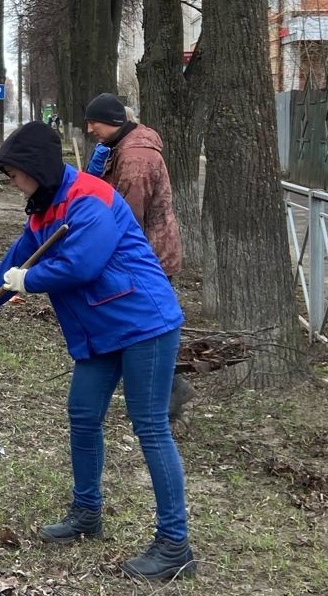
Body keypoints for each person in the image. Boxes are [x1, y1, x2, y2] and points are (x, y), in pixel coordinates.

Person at [0, 121, 196, 581]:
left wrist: (31, 281)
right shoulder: (44, 208)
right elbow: (15, 259)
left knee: (150, 428)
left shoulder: (90, 197)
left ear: (36, 169)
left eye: (14, 173)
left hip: (143, 323)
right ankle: (87, 513)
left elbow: (82, 264)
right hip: (101, 332)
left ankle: (174, 544)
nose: (11, 181)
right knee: (83, 415)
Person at [82, 94, 194, 421]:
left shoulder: (134, 158)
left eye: (94, 122)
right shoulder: (125, 148)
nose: (89, 129)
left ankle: (168, 394)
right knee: (139, 323)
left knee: (144, 326)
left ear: (114, 121)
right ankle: (160, 392)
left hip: (148, 255)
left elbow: (125, 216)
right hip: (148, 251)